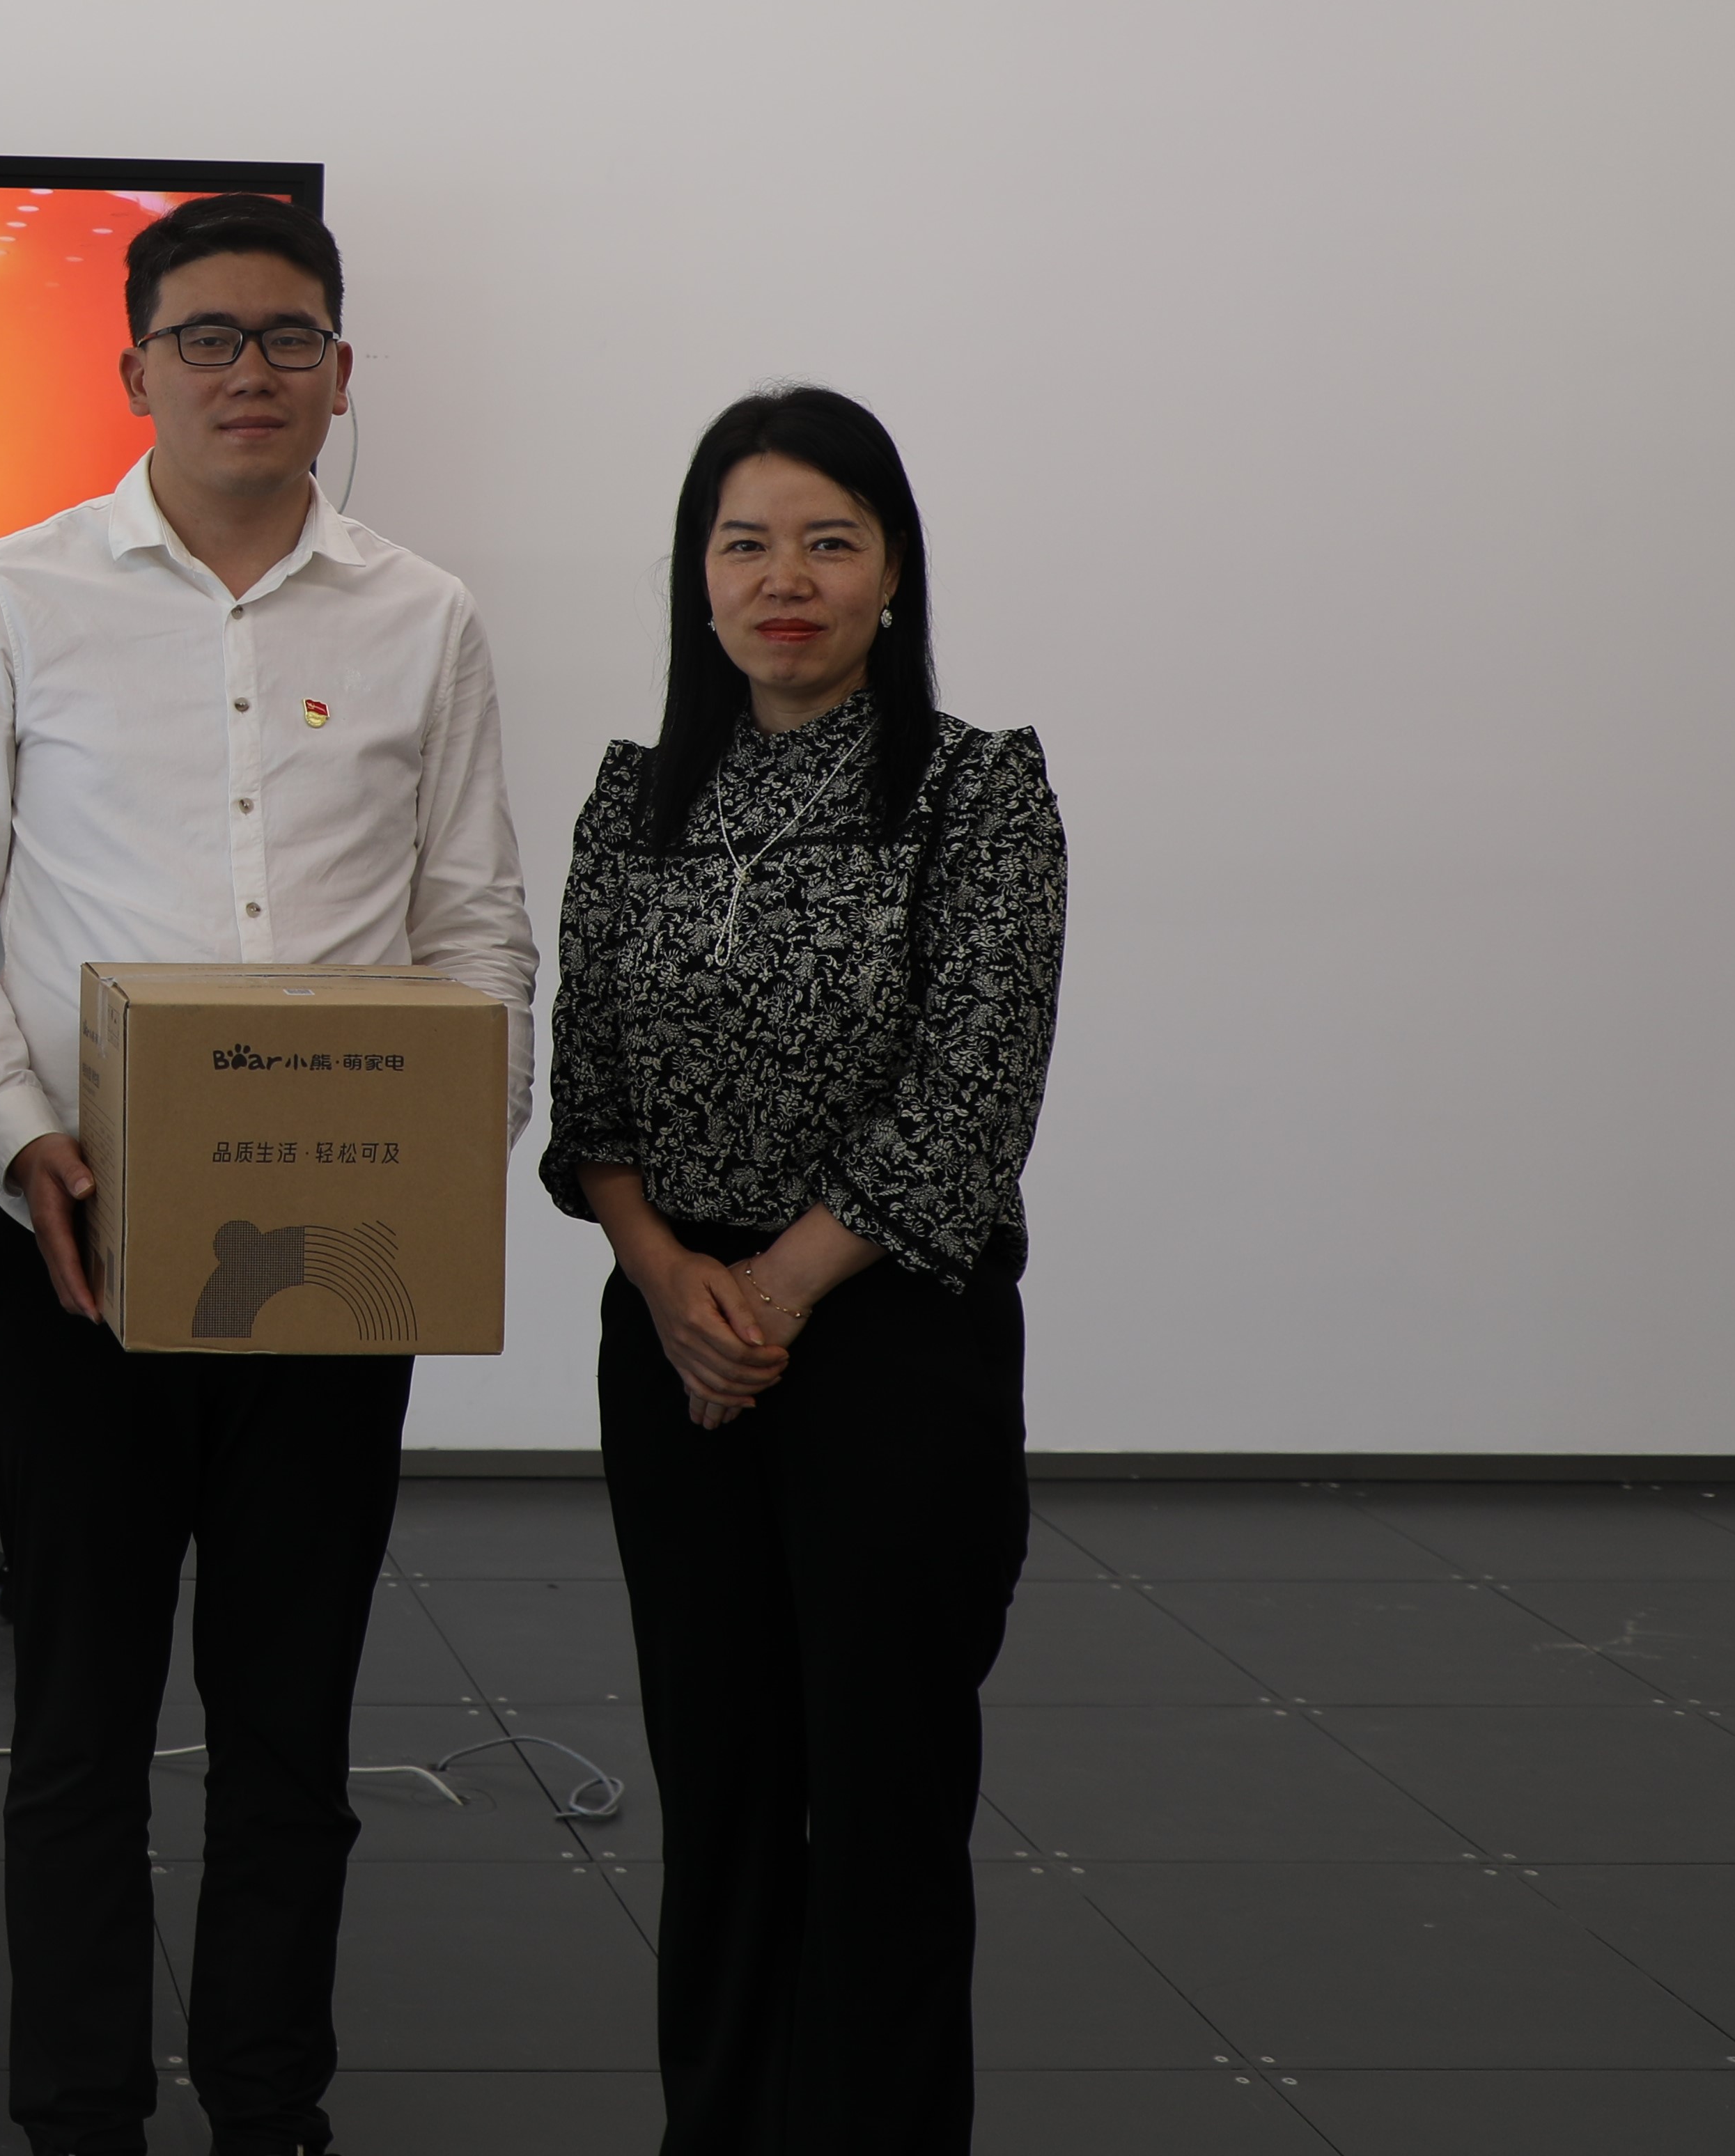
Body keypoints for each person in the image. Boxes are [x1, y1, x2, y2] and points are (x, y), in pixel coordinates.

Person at [0, 192, 536, 2156]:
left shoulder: (425, 616)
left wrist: (443, 1152)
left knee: (292, 1724)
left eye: (290, 338)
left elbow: (477, 927)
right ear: (134, 368)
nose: (254, 371)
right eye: (211, 338)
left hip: (337, 1256)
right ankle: (79, 2113)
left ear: (342, 370)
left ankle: (269, 2101)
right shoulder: (14, 595)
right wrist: (23, 1133)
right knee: (77, 1721)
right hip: (86, 1244)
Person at [544, 386, 1067, 2155]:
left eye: (829, 540)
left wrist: (770, 1295)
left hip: (888, 1347)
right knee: (722, 1788)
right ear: (697, 579)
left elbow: (972, 1092)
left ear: (893, 571)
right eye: (747, 542)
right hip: (673, 1346)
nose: (788, 578)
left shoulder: (980, 790)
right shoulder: (636, 799)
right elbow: (591, 1093)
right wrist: (664, 1274)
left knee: (887, 1796)